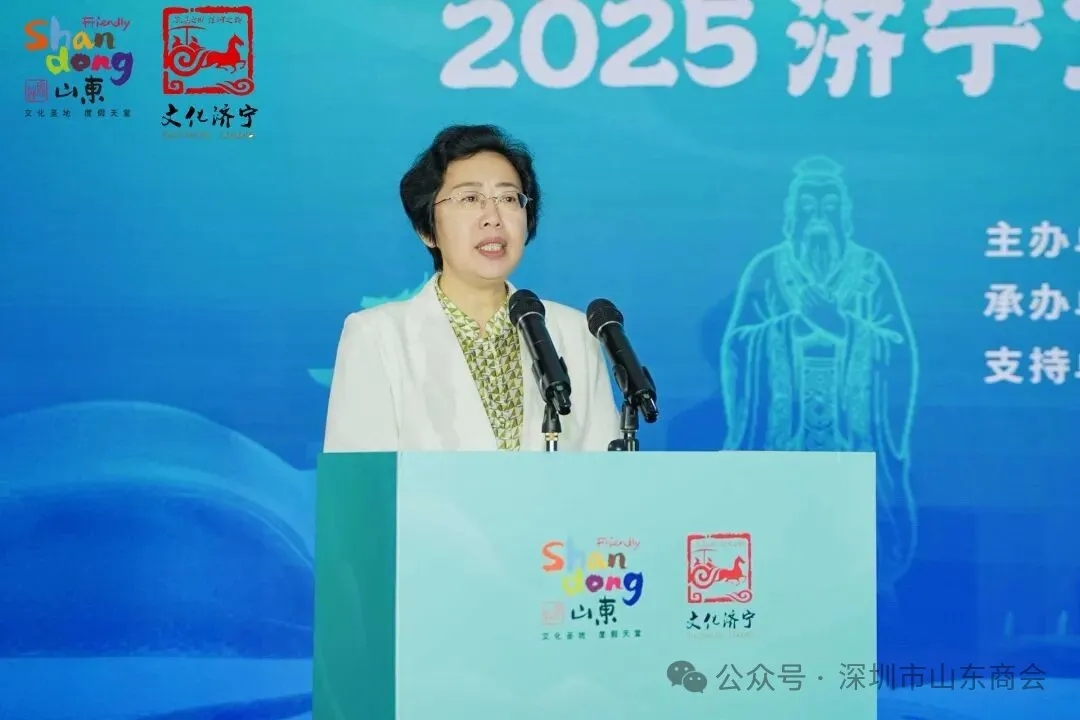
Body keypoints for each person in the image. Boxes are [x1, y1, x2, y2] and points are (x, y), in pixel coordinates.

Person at [323, 124, 620, 452]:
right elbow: (357, 478)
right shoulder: (377, 336)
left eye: (509, 198)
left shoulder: (576, 333)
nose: (493, 217)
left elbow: (606, 473)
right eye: (470, 198)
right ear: (427, 230)